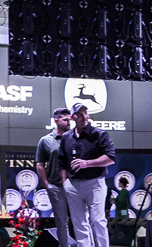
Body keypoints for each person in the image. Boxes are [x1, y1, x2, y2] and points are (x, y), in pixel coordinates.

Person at [62, 102, 117, 247]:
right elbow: (62, 162)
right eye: (79, 114)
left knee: (98, 220)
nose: (84, 117)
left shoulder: (99, 134)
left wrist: (86, 163)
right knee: (79, 222)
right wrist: (64, 183)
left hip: (95, 183)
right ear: (73, 117)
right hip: (73, 185)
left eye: (85, 113)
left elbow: (110, 158)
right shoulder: (66, 137)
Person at [37, 107, 73, 247]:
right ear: (56, 121)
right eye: (65, 120)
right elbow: (40, 165)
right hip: (56, 187)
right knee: (61, 221)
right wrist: (47, 185)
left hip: (76, 185)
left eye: (70, 120)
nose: (69, 123)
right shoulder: (45, 141)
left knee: (81, 219)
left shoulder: (74, 138)